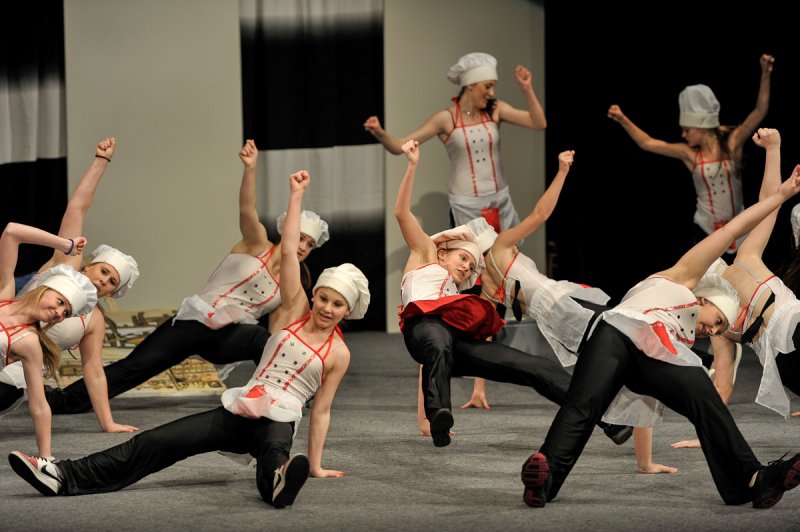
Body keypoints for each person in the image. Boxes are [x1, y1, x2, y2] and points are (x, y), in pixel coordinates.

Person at [7, 169, 370, 509]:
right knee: (154, 441)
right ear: (314, 295)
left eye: (337, 304)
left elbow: (321, 410)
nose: (327, 308)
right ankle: (64, 475)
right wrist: (296, 194)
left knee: (274, 457)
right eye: (323, 298)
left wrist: (316, 466)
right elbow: (288, 250)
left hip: (280, 418)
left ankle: (279, 482)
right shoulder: (293, 312)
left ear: (347, 311)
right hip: (239, 403)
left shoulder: (338, 353)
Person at [520, 159, 800, 509]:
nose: (713, 331)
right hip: (620, 331)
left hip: (645, 348)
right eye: (716, 320)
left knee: (701, 397)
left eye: (719, 329)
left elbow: (647, 406)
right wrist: (780, 197)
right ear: (704, 299)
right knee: (583, 405)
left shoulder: (679, 343)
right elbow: (730, 231)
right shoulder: (681, 276)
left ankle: (752, 480)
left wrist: (646, 462)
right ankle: (544, 479)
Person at [44, 139, 329, 415]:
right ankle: (62, 401)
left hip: (227, 338)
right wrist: (250, 168)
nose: (303, 247)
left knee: (263, 339)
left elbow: (278, 337)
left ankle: (276, 398)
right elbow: (246, 209)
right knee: (135, 366)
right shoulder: (257, 244)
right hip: (195, 322)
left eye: (309, 244)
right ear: (287, 230)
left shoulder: (290, 285)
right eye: (300, 238)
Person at [397, 140, 629, 448]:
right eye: (463, 258)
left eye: (472, 264)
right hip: (423, 328)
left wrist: (478, 389)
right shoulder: (424, 254)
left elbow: (474, 339)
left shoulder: (468, 292)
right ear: (443, 252)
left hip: (454, 340)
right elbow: (402, 213)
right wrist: (412, 165)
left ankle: (607, 418)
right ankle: (440, 414)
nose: (467, 267)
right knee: (437, 342)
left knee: (536, 366)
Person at [671, 129, 800, 452]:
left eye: (706, 322)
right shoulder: (721, 331)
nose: (709, 329)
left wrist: (773, 148)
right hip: (786, 366)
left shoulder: (745, 262)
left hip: (795, 328)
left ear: (702, 298)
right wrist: (705, 435)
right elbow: (723, 386)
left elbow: (769, 205)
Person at [1, 138, 141, 433]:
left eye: (112, 282)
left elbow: (93, 370)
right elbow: (77, 207)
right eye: (104, 271)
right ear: (89, 265)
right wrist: (101, 160)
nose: (103, 281)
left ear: (113, 292)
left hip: (12, 379)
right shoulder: (63, 266)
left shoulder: (94, 320)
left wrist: (108, 423)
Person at [607, 54, 774, 257]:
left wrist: (765, 73)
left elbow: (760, 110)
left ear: (701, 127)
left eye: (686, 129)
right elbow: (647, 143)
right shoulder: (689, 154)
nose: (683, 135)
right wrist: (622, 119)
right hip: (706, 230)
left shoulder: (732, 144)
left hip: (739, 227)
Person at [365, 52, 546, 231]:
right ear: (470, 85)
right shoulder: (446, 118)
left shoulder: (495, 109)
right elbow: (399, 146)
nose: (491, 93)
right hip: (466, 203)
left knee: (505, 249)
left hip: (500, 198)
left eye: (493, 87)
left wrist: (526, 89)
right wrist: (379, 133)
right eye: (487, 86)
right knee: (473, 249)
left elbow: (538, 123)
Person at [0, 223, 97, 458]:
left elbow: (40, 405)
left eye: (66, 313)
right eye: (60, 302)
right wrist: (66, 245)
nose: (59, 313)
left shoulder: (28, 341)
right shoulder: (5, 294)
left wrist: (46, 457)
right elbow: (11, 232)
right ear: (45, 289)